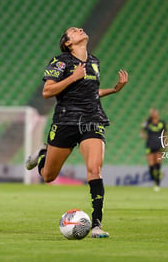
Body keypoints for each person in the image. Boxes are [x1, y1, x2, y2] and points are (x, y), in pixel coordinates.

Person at [25, 27, 128, 238]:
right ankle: (43, 155)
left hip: (92, 120)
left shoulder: (94, 61)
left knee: (94, 169)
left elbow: (91, 93)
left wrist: (114, 89)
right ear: (68, 43)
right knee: (47, 176)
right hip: (66, 121)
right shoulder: (60, 62)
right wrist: (72, 77)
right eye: (73, 31)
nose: (79, 29)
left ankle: (97, 224)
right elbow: (47, 91)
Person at [140, 108, 167, 191]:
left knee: (158, 164)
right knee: (151, 166)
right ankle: (154, 178)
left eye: (154, 112)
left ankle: (157, 183)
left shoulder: (162, 123)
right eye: (152, 112)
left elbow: (165, 134)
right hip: (150, 145)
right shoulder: (147, 123)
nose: (153, 114)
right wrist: (144, 136)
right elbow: (142, 131)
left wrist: (165, 145)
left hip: (159, 144)